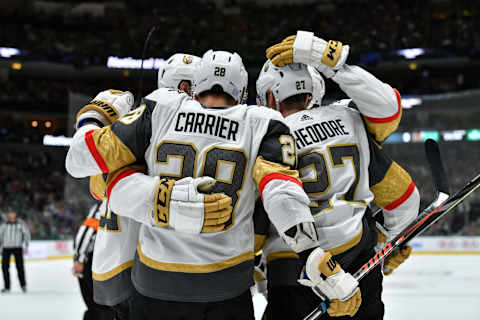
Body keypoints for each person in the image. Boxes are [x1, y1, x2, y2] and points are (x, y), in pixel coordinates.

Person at [65, 49, 319, 320]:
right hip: (228, 285)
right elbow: (281, 193)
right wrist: (310, 251)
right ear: (242, 91)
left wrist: (94, 116)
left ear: (193, 86)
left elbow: (83, 164)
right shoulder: (262, 122)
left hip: (154, 280)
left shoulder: (160, 106)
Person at [253, 30, 420, 319]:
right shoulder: (349, 118)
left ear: (269, 97)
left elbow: (253, 226)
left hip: (294, 269)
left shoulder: (260, 135)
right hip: (360, 262)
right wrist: (388, 239)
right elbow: (404, 196)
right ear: (315, 89)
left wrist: (255, 272)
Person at [88, 53, 201, 320]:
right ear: (185, 88)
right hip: (148, 271)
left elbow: (97, 187)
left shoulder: (132, 131)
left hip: (113, 268)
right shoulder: (171, 136)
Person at [73, 202, 115, 320]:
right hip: (99, 260)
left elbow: (88, 229)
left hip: (98, 260)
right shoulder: (107, 204)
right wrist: (80, 259)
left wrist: (79, 258)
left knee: (98, 305)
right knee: (102, 305)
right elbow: (88, 229)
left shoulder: (106, 203)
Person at [0, 209, 30, 293]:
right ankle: (7, 287)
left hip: (17, 248)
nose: (11, 215)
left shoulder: (20, 223)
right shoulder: (4, 224)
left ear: (15, 214)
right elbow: (0, 236)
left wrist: (26, 245)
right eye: (10, 213)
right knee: (4, 267)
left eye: (13, 213)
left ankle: (23, 285)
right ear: (8, 214)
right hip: (6, 248)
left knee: (20, 267)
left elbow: (26, 234)